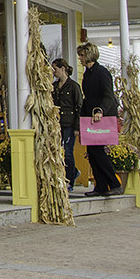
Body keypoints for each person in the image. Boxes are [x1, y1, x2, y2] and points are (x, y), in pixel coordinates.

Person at [78, 42, 122, 196]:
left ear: (89, 55)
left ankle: (114, 183)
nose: (80, 59)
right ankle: (101, 186)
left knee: (98, 151)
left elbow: (108, 94)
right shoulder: (87, 74)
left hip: (101, 116)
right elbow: (87, 97)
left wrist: (101, 111)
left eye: (82, 56)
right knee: (91, 151)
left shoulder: (101, 72)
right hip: (90, 117)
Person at [52, 57, 83, 190]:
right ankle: (68, 174)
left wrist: (77, 127)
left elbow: (79, 106)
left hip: (69, 123)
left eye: (56, 69)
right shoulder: (54, 87)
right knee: (57, 151)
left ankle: (70, 180)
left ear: (63, 69)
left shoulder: (74, 86)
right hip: (57, 123)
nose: (54, 72)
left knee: (68, 151)